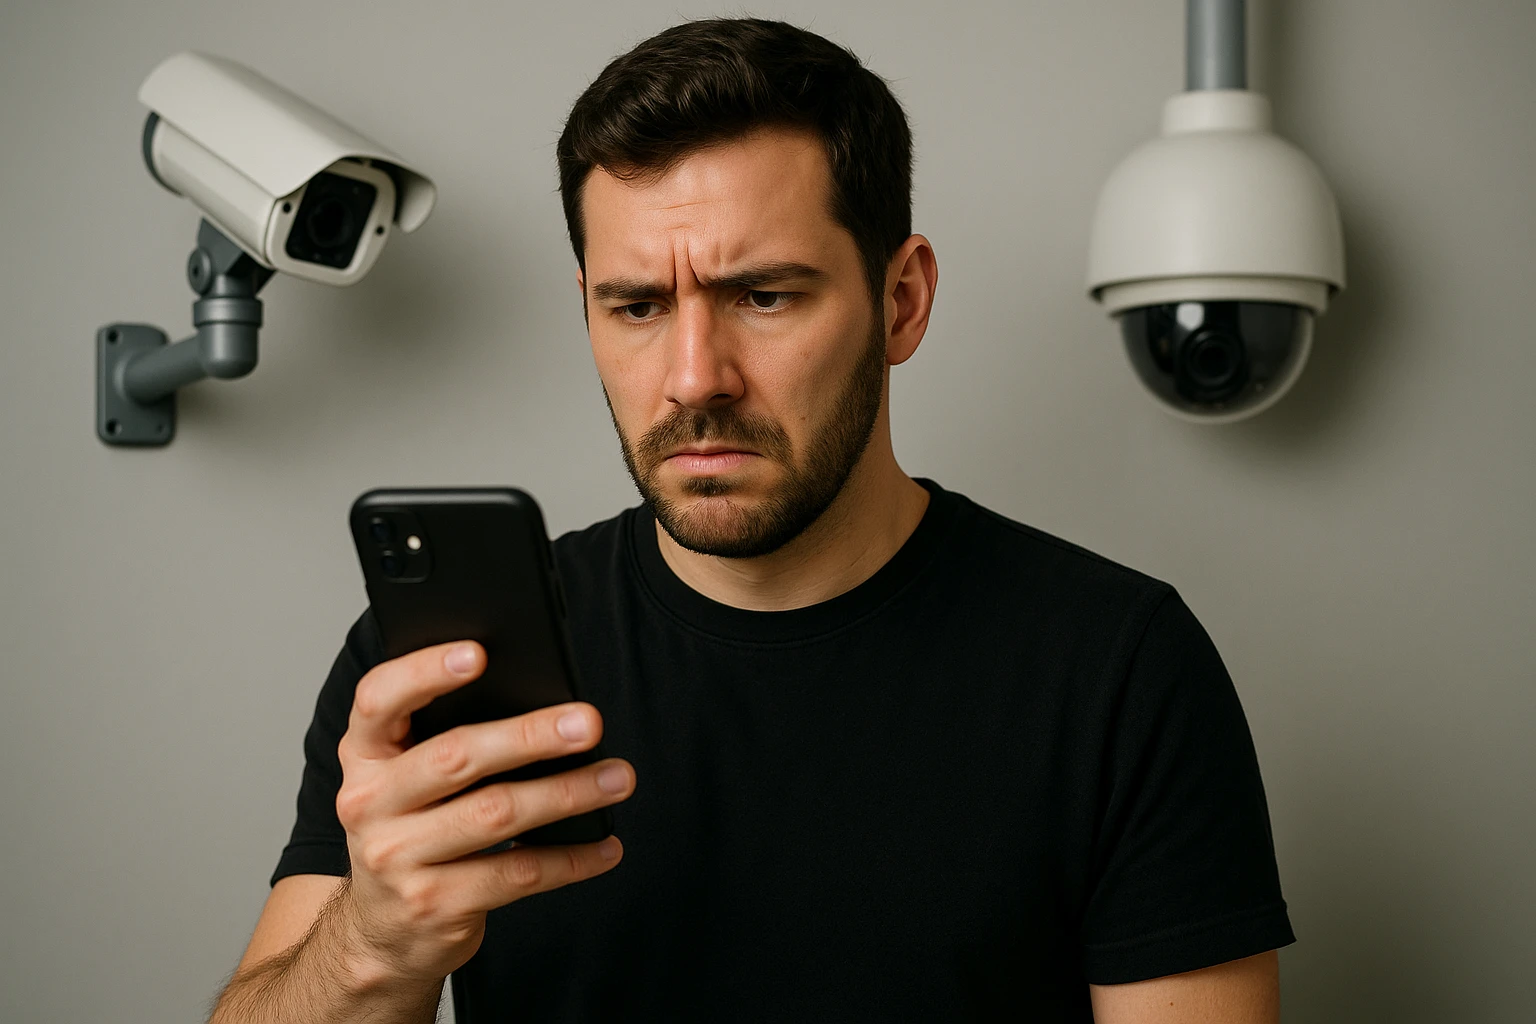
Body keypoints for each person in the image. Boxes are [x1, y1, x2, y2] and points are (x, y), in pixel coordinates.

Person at [209, 17, 1293, 1024]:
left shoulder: (1120, 670)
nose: (693, 378)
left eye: (764, 296)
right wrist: (372, 944)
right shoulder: (445, 669)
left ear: (901, 300)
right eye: (637, 306)